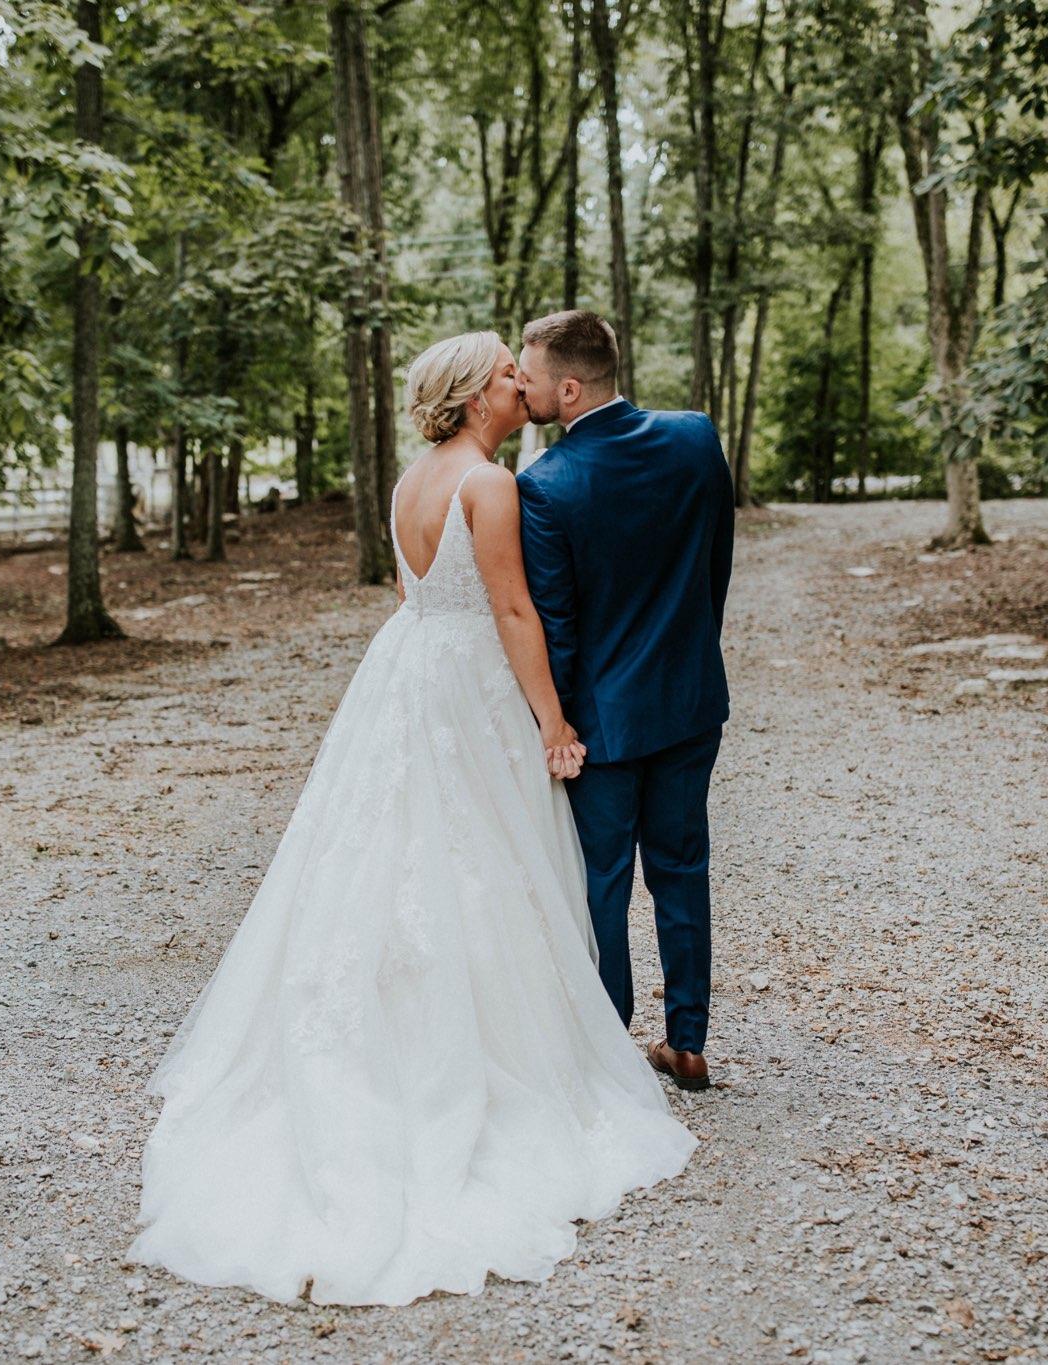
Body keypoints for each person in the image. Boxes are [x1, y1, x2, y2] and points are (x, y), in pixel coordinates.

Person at [129, 330, 695, 1307]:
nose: (521, 388)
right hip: (469, 680)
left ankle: (390, 1020)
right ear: (478, 397)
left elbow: (411, 591)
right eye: (507, 379)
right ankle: (484, 1051)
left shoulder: (407, 484)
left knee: (390, 848)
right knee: (482, 853)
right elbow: (513, 613)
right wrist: (554, 721)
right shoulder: (489, 485)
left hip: (406, 673)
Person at [514, 309, 735, 1093]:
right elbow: (716, 567)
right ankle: (690, 1041)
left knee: (600, 879)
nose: (519, 386)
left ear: (569, 388)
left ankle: (611, 1050)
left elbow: (558, 624)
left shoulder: (542, 485)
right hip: (689, 699)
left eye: (529, 377)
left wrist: (559, 720)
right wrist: (690, 655)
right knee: (682, 868)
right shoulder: (694, 437)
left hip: (603, 723)